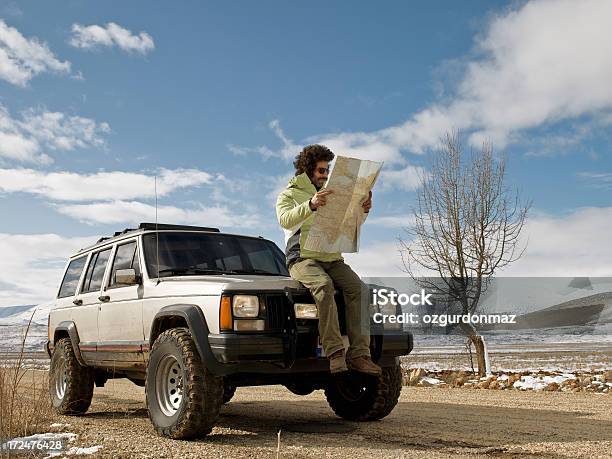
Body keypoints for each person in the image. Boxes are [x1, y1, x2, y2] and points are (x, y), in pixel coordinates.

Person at [275, 144, 381, 376]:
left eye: (327, 171)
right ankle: (334, 353)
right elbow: (285, 220)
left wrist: (362, 210)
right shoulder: (289, 194)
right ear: (308, 170)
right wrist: (310, 205)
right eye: (322, 171)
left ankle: (360, 355)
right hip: (303, 259)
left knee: (359, 290)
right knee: (324, 285)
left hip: (332, 257)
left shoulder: (334, 192)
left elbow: (348, 225)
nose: (325, 175)